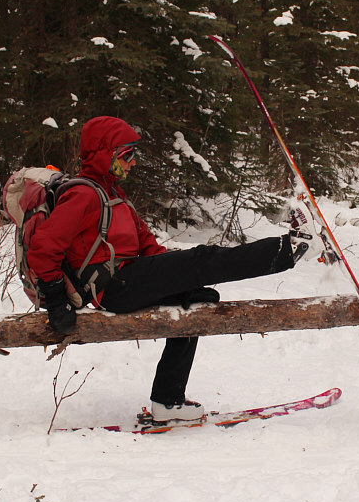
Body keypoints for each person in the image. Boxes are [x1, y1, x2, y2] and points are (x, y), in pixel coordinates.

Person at [26, 116, 321, 422]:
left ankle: (168, 401)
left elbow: (147, 245)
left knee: (195, 300)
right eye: (126, 155)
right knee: (202, 260)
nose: (132, 163)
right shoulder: (83, 194)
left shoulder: (113, 195)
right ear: (106, 153)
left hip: (131, 278)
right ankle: (291, 247)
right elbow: (44, 248)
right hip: (113, 286)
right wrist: (55, 300)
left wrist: (171, 276)